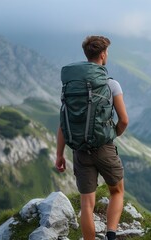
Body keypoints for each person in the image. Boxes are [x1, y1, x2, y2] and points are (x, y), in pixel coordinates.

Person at [55, 36, 129, 240]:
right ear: (103, 54)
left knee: (87, 203)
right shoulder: (110, 84)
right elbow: (123, 120)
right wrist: (110, 135)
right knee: (117, 191)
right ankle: (111, 235)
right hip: (104, 147)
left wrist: (59, 154)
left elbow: (63, 122)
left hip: (79, 150)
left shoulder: (71, 87)